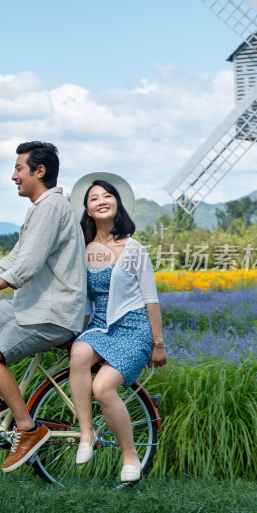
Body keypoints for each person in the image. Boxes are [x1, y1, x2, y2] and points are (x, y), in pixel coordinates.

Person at [0, 140, 87, 473]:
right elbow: (14, 259)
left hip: (53, 312)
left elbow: (29, 266)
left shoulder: (52, 208)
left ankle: (27, 428)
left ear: (40, 171)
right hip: (32, 303)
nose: (13, 176)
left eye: (18, 168)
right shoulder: (39, 209)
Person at [67, 172, 167, 483]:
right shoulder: (82, 250)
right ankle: (86, 435)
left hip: (135, 328)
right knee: (78, 352)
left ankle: (130, 457)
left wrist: (158, 344)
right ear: (87, 210)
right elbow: (84, 301)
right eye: (93, 198)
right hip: (100, 326)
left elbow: (151, 299)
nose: (101, 201)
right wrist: (75, 331)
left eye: (106, 196)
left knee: (102, 388)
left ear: (117, 203)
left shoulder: (134, 248)